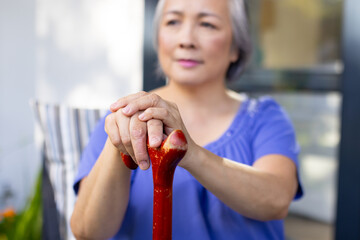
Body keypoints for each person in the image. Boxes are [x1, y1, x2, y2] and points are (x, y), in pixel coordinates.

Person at [70, 0, 303, 239]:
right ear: (158, 37)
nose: (186, 40)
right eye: (172, 21)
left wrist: (189, 152)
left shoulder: (265, 118)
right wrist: (120, 139)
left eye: (207, 24)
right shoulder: (121, 119)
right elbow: (87, 231)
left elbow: (276, 200)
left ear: (236, 47)